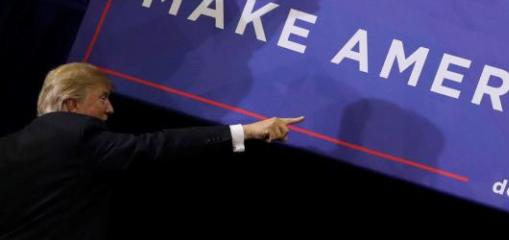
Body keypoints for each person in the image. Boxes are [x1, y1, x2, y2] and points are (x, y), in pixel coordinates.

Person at [0, 62, 302, 239]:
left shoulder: (8, 147)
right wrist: (245, 131)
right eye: (102, 98)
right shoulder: (77, 136)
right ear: (71, 104)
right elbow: (158, 146)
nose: (110, 109)